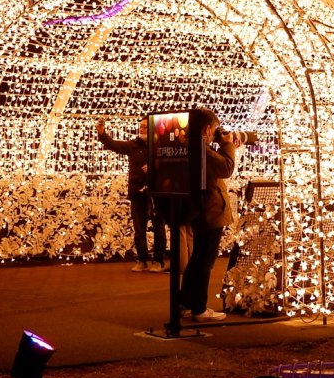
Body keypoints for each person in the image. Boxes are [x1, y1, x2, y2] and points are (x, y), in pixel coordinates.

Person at [180, 108, 235, 322]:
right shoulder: (200, 150)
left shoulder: (190, 147)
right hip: (211, 212)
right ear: (206, 129)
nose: (215, 133)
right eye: (214, 129)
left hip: (199, 210)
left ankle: (185, 302)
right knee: (205, 262)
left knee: (196, 259)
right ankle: (199, 308)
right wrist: (228, 144)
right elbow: (226, 168)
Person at [96, 117, 166, 271]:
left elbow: (171, 164)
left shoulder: (161, 146)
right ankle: (142, 260)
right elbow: (115, 145)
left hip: (156, 194)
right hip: (137, 193)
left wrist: (155, 166)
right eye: (140, 126)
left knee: (158, 229)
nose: (141, 129)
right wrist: (103, 135)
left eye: (145, 126)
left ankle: (158, 261)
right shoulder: (133, 145)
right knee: (139, 229)